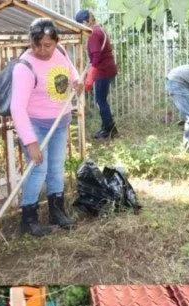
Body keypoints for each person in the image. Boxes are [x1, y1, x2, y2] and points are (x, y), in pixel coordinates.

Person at [10, 18, 81, 237]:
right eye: (37, 44)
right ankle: (28, 220)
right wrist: (31, 142)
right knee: (37, 169)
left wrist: (76, 82)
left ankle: (56, 212)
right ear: (31, 42)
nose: (42, 50)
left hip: (60, 122)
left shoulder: (60, 52)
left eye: (47, 45)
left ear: (56, 42)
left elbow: (72, 73)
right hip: (36, 125)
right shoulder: (25, 67)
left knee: (56, 167)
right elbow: (17, 108)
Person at [74, 9, 119, 139]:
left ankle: (109, 130)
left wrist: (90, 76)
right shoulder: (99, 29)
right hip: (107, 69)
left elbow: (96, 56)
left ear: (85, 22)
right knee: (102, 100)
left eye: (79, 24)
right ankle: (109, 127)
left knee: (100, 101)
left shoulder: (93, 33)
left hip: (102, 71)